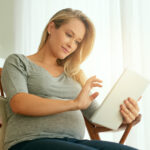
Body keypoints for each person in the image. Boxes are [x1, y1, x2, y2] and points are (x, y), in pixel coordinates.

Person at [1, 8, 140, 150]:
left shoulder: (75, 73)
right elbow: (19, 103)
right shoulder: (18, 62)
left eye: (77, 42)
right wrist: (74, 103)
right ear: (51, 27)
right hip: (30, 141)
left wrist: (125, 116)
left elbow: (97, 118)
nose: (71, 45)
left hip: (73, 142)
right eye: (68, 35)